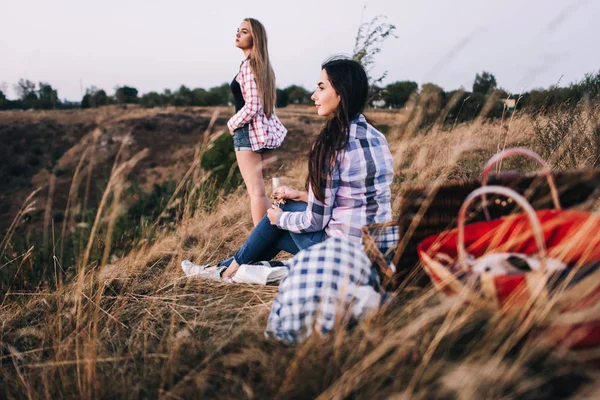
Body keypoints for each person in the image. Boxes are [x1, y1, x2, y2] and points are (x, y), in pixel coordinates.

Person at [182, 57, 394, 280]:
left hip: (340, 255)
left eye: (321, 88)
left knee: (278, 215)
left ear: (341, 94)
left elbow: (316, 221)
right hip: (376, 248)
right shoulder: (378, 138)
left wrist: (278, 219)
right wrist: (302, 195)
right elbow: (352, 197)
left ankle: (225, 271)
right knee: (286, 208)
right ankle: (219, 270)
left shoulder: (331, 145)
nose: (314, 95)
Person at [229, 18, 287, 226]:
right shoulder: (263, 67)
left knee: (256, 193)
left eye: (243, 31)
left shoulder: (248, 66)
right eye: (238, 30)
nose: (237, 34)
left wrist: (232, 123)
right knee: (261, 190)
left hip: (247, 133)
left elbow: (253, 106)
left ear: (255, 38)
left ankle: (259, 244)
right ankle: (265, 240)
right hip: (260, 133)